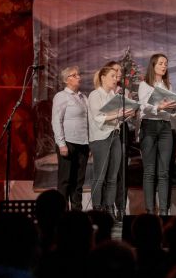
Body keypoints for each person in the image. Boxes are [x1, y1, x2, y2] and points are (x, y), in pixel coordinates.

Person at [87, 65, 135, 212]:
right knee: (100, 176)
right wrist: (117, 114)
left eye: (116, 76)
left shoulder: (114, 96)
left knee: (113, 177)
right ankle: (97, 208)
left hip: (115, 136)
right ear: (103, 78)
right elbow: (98, 117)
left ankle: (109, 208)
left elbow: (117, 120)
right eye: (112, 76)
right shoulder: (95, 95)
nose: (115, 79)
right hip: (100, 138)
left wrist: (127, 114)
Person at [138, 54, 176, 215]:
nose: (164, 66)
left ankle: (163, 211)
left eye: (166, 64)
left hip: (165, 127)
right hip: (149, 126)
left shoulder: (168, 85)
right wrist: (159, 107)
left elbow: (171, 111)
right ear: (153, 65)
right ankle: (150, 211)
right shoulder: (145, 84)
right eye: (161, 63)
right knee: (150, 171)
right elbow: (144, 107)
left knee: (164, 172)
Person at [51, 66, 89, 211]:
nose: (79, 77)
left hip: (83, 143)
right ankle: (62, 212)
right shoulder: (61, 96)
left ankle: (76, 213)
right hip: (68, 142)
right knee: (65, 180)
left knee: (78, 181)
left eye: (78, 74)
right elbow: (56, 120)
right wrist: (61, 144)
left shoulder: (83, 97)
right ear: (66, 80)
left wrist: (89, 142)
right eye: (74, 75)